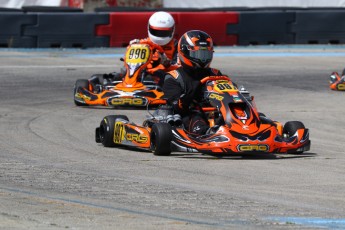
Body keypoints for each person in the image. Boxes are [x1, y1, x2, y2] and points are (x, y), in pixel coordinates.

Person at [162, 30, 231, 135]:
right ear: (185, 52)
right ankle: (210, 133)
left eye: (206, 55)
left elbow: (228, 94)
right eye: (199, 54)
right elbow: (177, 106)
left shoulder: (215, 73)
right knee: (197, 120)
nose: (203, 60)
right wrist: (196, 88)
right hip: (190, 114)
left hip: (217, 112)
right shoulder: (174, 77)